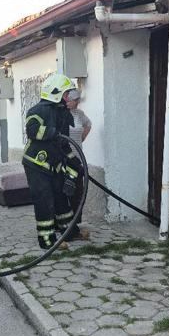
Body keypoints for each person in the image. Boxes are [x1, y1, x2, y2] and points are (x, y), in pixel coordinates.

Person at [22, 73, 83, 249]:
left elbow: (64, 143)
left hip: (54, 165)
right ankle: (47, 240)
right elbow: (32, 130)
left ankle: (69, 231)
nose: (68, 97)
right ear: (55, 93)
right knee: (44, 200)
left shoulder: (63, 113)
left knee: (61, 196)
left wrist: (75, 164)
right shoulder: (37, 111)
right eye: (65, 93)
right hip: (36, 165)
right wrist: (52, 132)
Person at [65, 89, 91, 237]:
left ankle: (75, 221)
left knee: (78, 190)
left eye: (72, 100)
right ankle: (64, 222)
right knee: (66, 189)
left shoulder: (80, 114)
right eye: (67, 99)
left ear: (77, 101)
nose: (69, 102)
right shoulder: (62, 114)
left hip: (78, 158)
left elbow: (88, 125)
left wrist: (81, 139)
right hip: (65, 158)